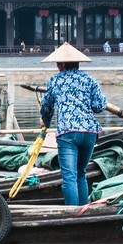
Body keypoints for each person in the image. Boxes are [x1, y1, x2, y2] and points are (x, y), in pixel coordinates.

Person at [39, 42, 106, 206]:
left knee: (69, 177)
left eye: (57, 64)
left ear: (61, 64)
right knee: (80, 174)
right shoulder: (89, 79)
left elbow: (46, 108)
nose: (57, 66)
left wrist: (45, 125)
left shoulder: (55, 81)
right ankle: (83, 210)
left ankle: (72, 215)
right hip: (90, 132)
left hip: (67, 133)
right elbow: (99, 106)